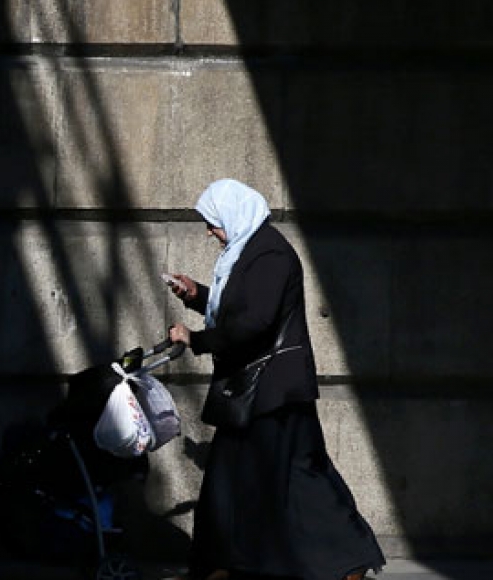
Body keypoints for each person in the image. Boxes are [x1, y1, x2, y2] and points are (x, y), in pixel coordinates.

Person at [164, 178, 385, 580]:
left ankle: (342, 561)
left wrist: (196, 340)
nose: (209, 231)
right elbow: (240, 309)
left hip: (270, 392)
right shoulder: (251, 251)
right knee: (271, 481)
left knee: (283, 482)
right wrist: (198, 295)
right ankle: (226, 564)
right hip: (265, 391)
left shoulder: (269, 254)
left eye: (213, 222)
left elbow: (254, 323)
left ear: (233, 213)